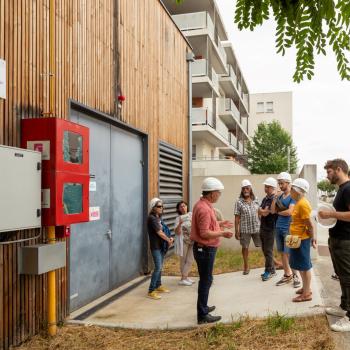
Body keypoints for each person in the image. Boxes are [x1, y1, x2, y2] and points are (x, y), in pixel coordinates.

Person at [191, 177, 234, 324]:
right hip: (205, 249)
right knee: (205, 280)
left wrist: (221, 223)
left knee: (206, 280)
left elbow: (209, 224)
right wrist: (222, 233)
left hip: (205, 249)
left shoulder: (204, 204)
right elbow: (204, 233)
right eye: (218, 193)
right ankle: (202, 315)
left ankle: (203, 307)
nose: (219, 195)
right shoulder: (204, 208)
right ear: (211, 194)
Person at [319, 159, 350, 332]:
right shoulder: (341, 190)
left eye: (329, 171)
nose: (327, 175)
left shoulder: (348, 188)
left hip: (346, 241)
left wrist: (331, 213)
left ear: (339, 169)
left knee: (348, 278)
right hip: (337, 239)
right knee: (341, 275)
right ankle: (344, 307)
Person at [288, 178, 317, 302]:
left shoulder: (303, 204)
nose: (290, 192)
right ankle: (306, 288)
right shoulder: (298, 202)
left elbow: (310, 224)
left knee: (304, 266)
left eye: (292, 189)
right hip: (295, 238)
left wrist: (312, 238)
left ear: (297, 191)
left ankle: (306, 293)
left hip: (302, 239)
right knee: (297, 264)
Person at [271, 172, 301, 288]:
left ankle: (296, 276)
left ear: (288, 183)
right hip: (278, 227)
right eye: (279, 183)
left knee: (291, 253)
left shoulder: (293, 196)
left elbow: (290, 212)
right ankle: (287, 274)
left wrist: (279, 212)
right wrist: (274, 199)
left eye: (282, 183)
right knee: (282, 253)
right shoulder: (279, 196)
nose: (280, 186)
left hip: (289, 228)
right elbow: (273, 211)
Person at [147, 198, 174, 300]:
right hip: (156, 247)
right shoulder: (152, 218)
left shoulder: (158, 217)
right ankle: (151, 290)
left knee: (160, 267)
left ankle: (158, 285)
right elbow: (159, 232)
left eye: (162, 206)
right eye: (159, 206)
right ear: (153, 207)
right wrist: (168, 240)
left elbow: (164, 230)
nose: (161, 208)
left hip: (161, 245)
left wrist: (169, 237)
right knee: (158, 267)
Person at [234, 179, 261, 275]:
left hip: (257, 227)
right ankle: (246, 266)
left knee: (264, 246)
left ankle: (271, 262)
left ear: (250, 189)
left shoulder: (256, 199)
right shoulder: (239, 202)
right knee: (245, 247)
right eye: (244, 188)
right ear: (242, 190)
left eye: (247, 188)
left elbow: (260, 213)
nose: (245, 190)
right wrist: (236, 231)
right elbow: (237, 217)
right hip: (245, 229)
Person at [259, 177, 278, 281]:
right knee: (265, 250)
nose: (265, 188)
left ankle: (268, 271)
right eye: (265, 186)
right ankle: (273, 270)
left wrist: (263, 211)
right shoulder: (265, 198)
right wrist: (262, 210)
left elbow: (266, 213)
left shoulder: (274, 199)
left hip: (270, 228)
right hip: (263, 227)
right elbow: (260, 211)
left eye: (267, 187)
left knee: (268, 251)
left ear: (272, 187)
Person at [174, 201, 194, 286]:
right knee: (183, 260)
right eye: (181, 207)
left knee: (190, 259)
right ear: (178, 209)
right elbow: (177, 232)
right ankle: (183, 278)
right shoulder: (178, 218)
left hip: (192, 240)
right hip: (183, 241)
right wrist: (180, 224)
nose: (183, 208)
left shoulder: (191, 214)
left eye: (184, 206)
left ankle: (185, 277)